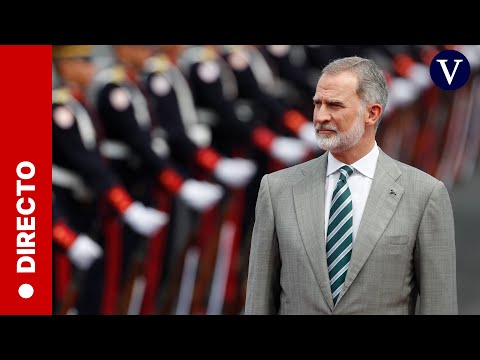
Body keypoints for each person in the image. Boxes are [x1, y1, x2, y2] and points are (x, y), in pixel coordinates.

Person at [244, 56, 457, 315]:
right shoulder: (276, 189)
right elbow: (258, 303)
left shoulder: (425, 195)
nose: (321, 116)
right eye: (317, 104)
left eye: (334, 105)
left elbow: (440, 305)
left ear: (372, 113)